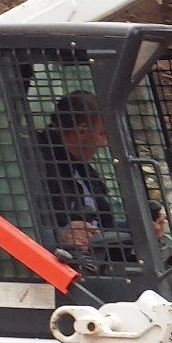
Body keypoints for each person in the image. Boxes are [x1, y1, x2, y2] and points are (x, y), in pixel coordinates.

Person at [33, 90, 115, 254]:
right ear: (82, 131)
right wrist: (59, 237)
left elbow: (103, 228)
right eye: (101, 133)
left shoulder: (84, 171)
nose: (103, 143)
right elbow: (16, 223)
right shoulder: (36, 162)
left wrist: (141, 228)